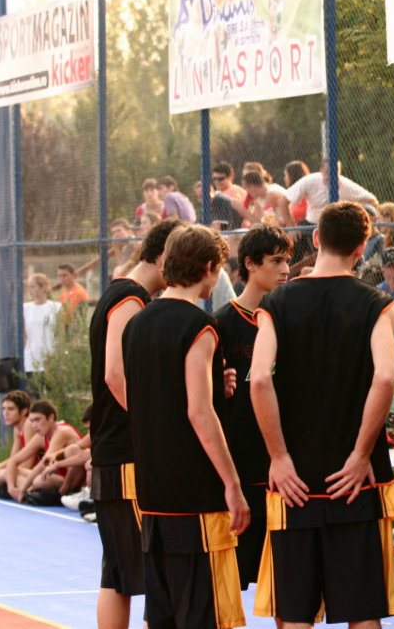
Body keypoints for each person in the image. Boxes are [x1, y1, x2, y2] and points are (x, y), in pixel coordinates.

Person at [250, 202, 394, 627]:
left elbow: (258, 379)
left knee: (295, 612)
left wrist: (278, 456)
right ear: (362, 247)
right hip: (354, 477)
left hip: (294, 477)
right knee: (362, 610)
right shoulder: (377, 304)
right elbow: (385, 377)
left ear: (316, 239)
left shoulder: (276, 302)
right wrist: (360, 454)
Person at [123, 224, 249, 629]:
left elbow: (158, 394)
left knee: (163, 613)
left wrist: (215, 388)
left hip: (152, 489)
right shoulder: (200, 326)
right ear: (209, 267)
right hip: (195, 494)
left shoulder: (137, 323)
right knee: (207, 613)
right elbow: (198, 411)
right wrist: (232, 483)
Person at [88, 218, 183, 629]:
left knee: (117, 572)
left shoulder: (122, 293)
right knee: (147, 568)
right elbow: (115, 373)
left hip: (114, 448)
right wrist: (151, 427)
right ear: (162, 257)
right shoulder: (129, 299)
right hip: (125, 452)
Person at [214, 224, 292, 592]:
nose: (285, 269)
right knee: (230, 580)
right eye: (276, 261)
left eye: (287, 260)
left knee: (286, 582)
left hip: (284, 467)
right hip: (241, 465)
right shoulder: (223, 323)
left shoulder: (288, 318)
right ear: (250, 264)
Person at [7, 400, 81, 502]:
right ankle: (27, 491)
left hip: (74, 481)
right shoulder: (41, 436)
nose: (34, 425)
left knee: (38, 481)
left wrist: (23, 490)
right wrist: (10, 488)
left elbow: (44, 463)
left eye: (37, 420)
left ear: (51, 418)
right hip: (57, 477)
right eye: (32, 421)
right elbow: (14, 460)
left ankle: (60, 493)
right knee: (10, 472)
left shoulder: (62, 432)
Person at [276, 158, 378, 227]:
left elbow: (372, 201)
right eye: (327, 173)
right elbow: (283, 201)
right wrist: (291, 228)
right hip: (313, 225)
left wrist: (350, 210)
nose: (331, 177)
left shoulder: (344, 184)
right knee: (297, 237)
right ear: (321, 170)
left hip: (337, 227)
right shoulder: (310, 180)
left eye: (335, 173)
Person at [0, 391, 36, 496]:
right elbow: (13, 458)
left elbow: (29, 462)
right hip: (27, 472)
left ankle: (32, 492)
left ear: (24, 411)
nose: (5, 413)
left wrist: (9, 473)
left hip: (37, 473)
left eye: (10, 409)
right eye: (3, 409)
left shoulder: (29, 424)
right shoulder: (17, 428)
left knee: (3, 474)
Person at [23, 273, 61, 376]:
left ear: (43, 287)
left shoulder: (56, 307)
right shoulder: (25, 308)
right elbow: (24, 335)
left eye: (33, 287)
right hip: (30, 358)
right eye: (29, 287)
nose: (30, 290)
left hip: (50, 357)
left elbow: (60, 334)